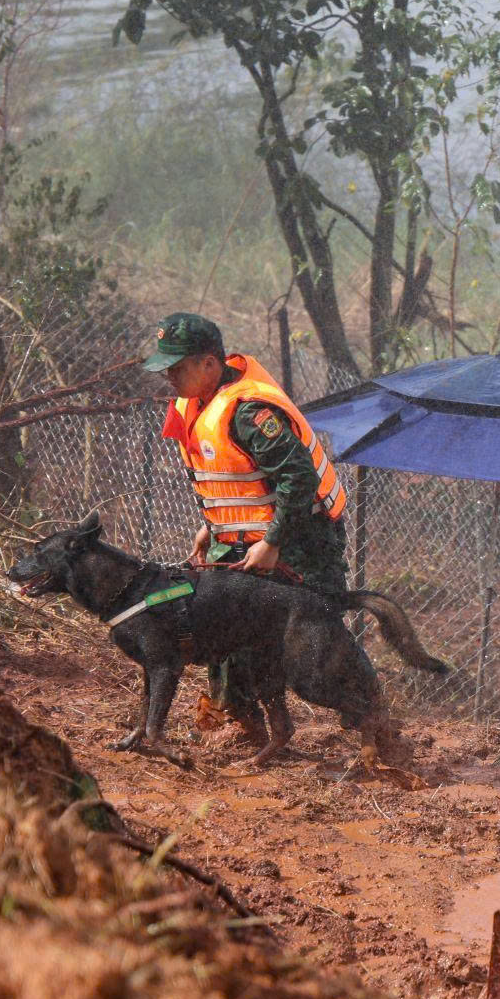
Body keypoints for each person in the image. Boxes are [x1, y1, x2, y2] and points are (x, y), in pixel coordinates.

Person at [142, 312, 350, 744]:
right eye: (166, 368)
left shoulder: (251, 412)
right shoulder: (195, 403)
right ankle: (253, 730)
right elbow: (227, 477)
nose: (169, 377)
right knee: (228, 636)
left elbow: (298, 479)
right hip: (241, 542)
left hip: (301, 541)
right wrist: (212, 527)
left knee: (313, 639)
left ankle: (373, 729)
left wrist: (272, 543)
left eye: (176, 368)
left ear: (208, 365)